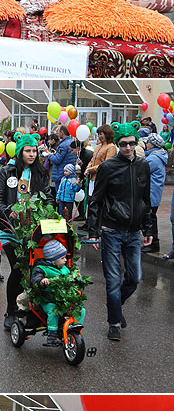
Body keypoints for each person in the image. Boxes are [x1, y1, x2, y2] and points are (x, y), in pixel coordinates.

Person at [87, 121, 153, 341]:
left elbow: (146, 199)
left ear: (136, 143)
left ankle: (115, 305)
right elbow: (95, 201)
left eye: (132, 143)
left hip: (134, 232)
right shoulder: (108, 168)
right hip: (112, 230)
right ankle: (114, 321)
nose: (128, 148)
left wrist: (148, 227)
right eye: (124, 144)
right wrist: (93, 231)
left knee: (134, 279)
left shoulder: (143, 166)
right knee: (113, 280)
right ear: (118, 143)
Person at [0, 133, 53, 330]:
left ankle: (29, 308)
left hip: (33, 231)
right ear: (19, 152)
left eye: (34, 150)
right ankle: (11, 310)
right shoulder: (7, 172)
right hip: (10, 231)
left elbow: (49, 199)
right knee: (18, 268)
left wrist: (47, 214)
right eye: (28, 150)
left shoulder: (41, 174)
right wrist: (8, 212)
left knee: (33, 269)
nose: (32, 154)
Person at [29, 239, 85, 346]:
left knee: (80, 309)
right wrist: (42, 281)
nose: (65, 260)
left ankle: (74, 329)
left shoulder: (64, 269)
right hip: (48, 299)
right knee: (53, 311)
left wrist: (77, 278)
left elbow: (70, 277)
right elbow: (35, 279)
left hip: (64, 299)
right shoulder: (42, 269)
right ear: (53, 260)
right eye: (62, 258)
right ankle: (52, 336)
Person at [143, 133, 168, 254]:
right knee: (151, 218)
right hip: (155, 193)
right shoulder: (159, 156)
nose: (146, 144)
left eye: (148, 142)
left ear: (153, 144)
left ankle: (153, 243)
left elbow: (141, 172)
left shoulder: (153, 159)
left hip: (150, 193)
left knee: (150, 219)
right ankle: (153, 242)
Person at [48, 126, 76, 194]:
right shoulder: (72, 142)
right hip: (70, 174)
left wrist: (49, 155)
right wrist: (56, 153)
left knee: (61, 198)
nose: (57, 134)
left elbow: (57, 160)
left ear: (62, 132)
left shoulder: (63, 145)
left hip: (61, 174)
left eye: (58, 132)